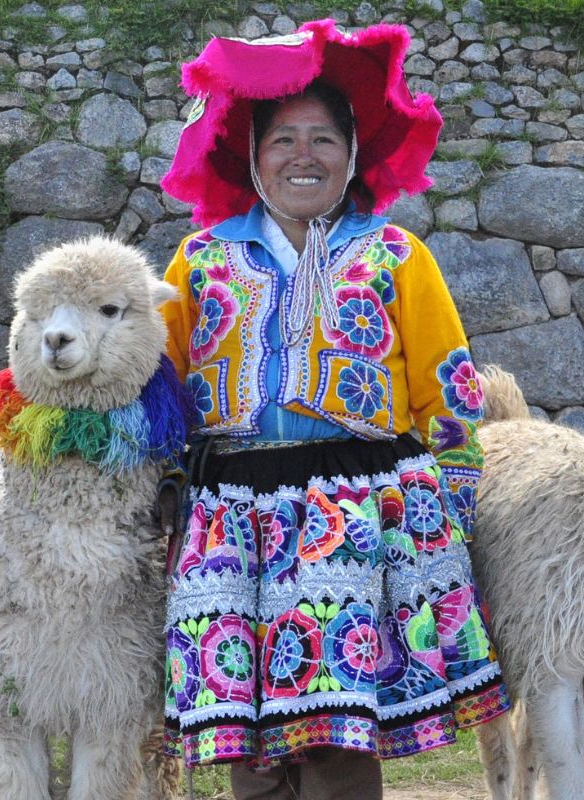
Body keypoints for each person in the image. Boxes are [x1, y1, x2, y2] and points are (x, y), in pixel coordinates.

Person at [154, 20, 508, 800]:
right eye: (282, 139)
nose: (303, 156)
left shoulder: (395, 257)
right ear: (252, 156)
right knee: (248, 742)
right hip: (229, 518)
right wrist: (166, 489)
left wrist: (449, 510)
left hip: (351, 511)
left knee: (338, 734)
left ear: (352, 156)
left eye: (323, 138)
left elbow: (448, 392)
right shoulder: (200, 260)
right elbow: (161, 391)